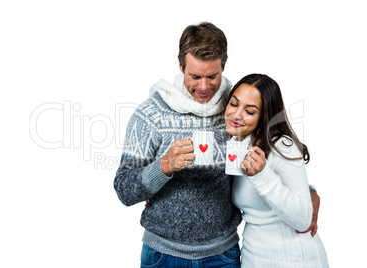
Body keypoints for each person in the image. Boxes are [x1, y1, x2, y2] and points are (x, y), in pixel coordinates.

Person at [114, 22, 320, 267]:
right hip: (162, 254)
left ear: (224, 65)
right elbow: (124, 190)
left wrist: (309, 193)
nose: (203, 87)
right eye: (195, 76)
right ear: (180, 66)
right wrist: (163, 167)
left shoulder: (236, 109)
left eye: (212, 76)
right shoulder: (150, 115)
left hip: (223, 255)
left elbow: (269, 156)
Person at [224, 73, 329, 267]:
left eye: (249, 111)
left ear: (264, 117)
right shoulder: (238, 144)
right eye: (234, 103)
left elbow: (303, 219)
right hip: (254, 256)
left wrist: (262, 175)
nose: (236, 115)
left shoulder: (282, 145)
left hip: (293, 258)